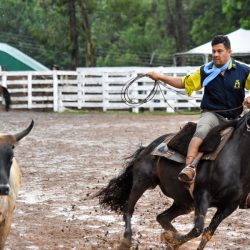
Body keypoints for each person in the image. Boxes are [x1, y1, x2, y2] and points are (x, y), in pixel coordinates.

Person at [147, 35, 250, 184]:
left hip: (236, 117)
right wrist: (160, 77)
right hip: (213, 114)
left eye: (219, 51)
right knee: (202, 130)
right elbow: (183, 82)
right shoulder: (205, 71)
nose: (215, 54)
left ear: (229, 52)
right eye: (213, 51)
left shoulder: (243, 70)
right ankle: (189, 168)